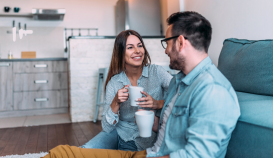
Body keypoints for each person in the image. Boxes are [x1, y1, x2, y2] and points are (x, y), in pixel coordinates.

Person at [43, 11, 240, 158]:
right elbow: (167, 127)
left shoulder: (212, 91)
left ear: (180, 42)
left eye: (167, 44)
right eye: (130, 47)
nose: (165, 51)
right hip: (146, 150)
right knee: (62, 153)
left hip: (151, 154)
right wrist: (151, 121)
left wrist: (155, 105)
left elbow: (198, 155)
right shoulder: (180, 82)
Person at [81, 30, 173, 151]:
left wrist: (158, 103)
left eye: (140, 45)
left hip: (148, 137)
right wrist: (116, 102)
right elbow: (107, 128)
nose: (137, 51)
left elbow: (182, 93)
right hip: (120, 133)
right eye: (130, 47)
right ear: (120, 53)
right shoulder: (114, 82)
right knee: (86, 150)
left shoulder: (157, 72)